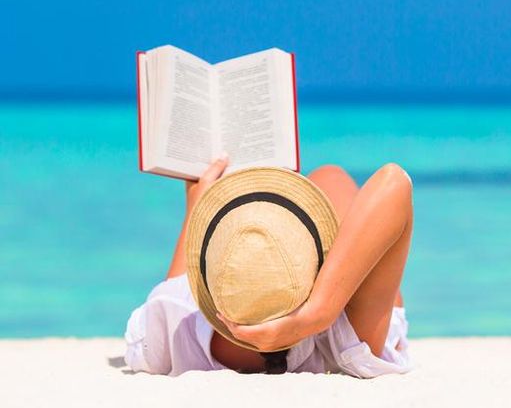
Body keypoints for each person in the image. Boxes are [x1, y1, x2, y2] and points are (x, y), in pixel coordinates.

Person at [123, 155, 414, 377]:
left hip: (321, 313)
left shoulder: (176, 326)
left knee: (328, 176)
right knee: (330, 174)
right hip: (345, 300)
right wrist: (317, 314)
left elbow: (170, 294)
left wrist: (195, 204)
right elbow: (394, 181)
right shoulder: (345, 339)